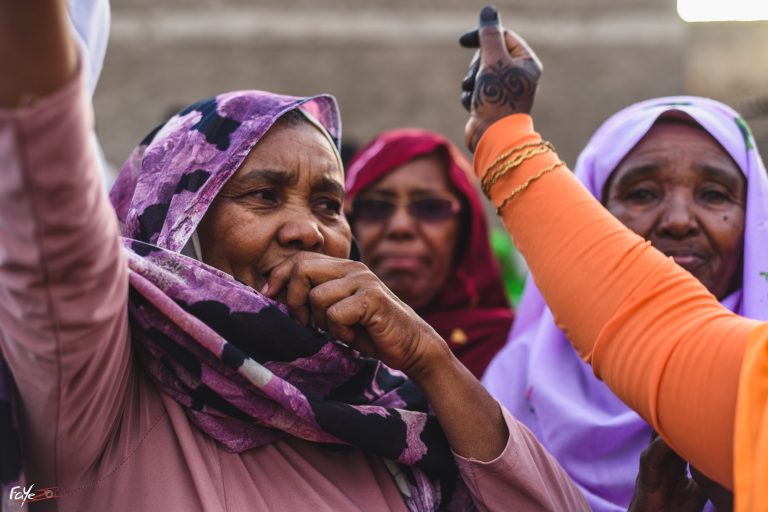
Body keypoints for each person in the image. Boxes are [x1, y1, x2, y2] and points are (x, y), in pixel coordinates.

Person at [0, 2, 590, 510]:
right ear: (176, 222)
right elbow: (51, 214)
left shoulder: (384, 409)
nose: (308, 231)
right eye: (262, 195)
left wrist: (429, 358)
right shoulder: (103, 386)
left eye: (330, 205)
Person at [459, 5, 768, 511]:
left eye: (714, 195)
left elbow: (649, 329)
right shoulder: (516, 381)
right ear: (596, 205)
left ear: (755, 216)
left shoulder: (751, 383)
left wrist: (504, 139)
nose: (679, 219)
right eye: (643, 193)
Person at [345, 129, 514, 378]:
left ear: (465, 228)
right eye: (376, 206)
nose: (400, 227)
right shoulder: (311, 342)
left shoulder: (517, 352)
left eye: (430, 207)